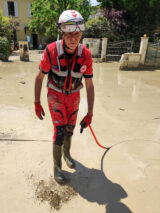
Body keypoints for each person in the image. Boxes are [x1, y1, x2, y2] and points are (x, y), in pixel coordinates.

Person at [34, 10, 94, 184]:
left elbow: (89, 86)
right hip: (56, 96)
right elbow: (39, 78)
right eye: (69, 34)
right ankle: (57, 168)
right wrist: (37, 102)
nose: (73, 38)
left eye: (77, 34)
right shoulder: (51, 50)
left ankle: (67, 154)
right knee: (59, 132)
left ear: (81, 33)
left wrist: (90, 113)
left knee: (70, 129)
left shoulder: (86, 55)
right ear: (62, 32)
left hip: (74, 97)